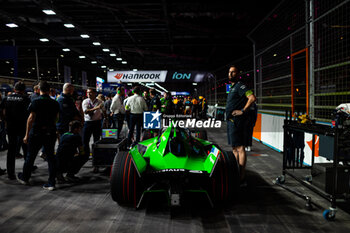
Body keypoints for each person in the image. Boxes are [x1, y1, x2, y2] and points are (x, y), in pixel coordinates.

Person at [17, 81, 59, 191]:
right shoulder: (55, 103)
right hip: (50, 132)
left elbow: (31, 119)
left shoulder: (35, 102)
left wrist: (26, 135)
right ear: (49, 90)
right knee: (50, 157)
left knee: (30, 156)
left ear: (39, 89)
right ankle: (51, 183)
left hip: (36, 132)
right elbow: (56, 118)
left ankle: (25, 177)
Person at [225, 65, 256, 185]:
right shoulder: (233, 87)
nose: (230, 74)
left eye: (233, 72)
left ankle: (242, 177)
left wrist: (242, 110)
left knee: (240, 148)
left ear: (238, 74)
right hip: (231, 121)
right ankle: (236, 173)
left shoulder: (240, 86)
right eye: (229, 72)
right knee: (234, 148)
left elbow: (252, 98)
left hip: (238, 122)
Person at [2, 81, 31, 180]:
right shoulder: (26, 99)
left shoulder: (6, 98)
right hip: (23, 127)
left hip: (10, 127)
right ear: (23, 90)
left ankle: (11, 174)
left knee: (11, 150)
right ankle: (27, 171)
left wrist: (5, 120)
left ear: (14, 89)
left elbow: (1, 111)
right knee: (26, 150)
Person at [82, 88, 103, 172]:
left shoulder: (100, 101)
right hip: (88, 123)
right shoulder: (85, 101)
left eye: (90, 92)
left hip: (97, 123)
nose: (89, 94)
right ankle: (85, 157)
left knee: (96, 142)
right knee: (85, 141)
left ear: (94, 93)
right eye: (87, 92)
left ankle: (96, 162)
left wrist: (106, 119)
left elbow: (103, 111)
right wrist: (96, 108)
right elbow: (86, 111)